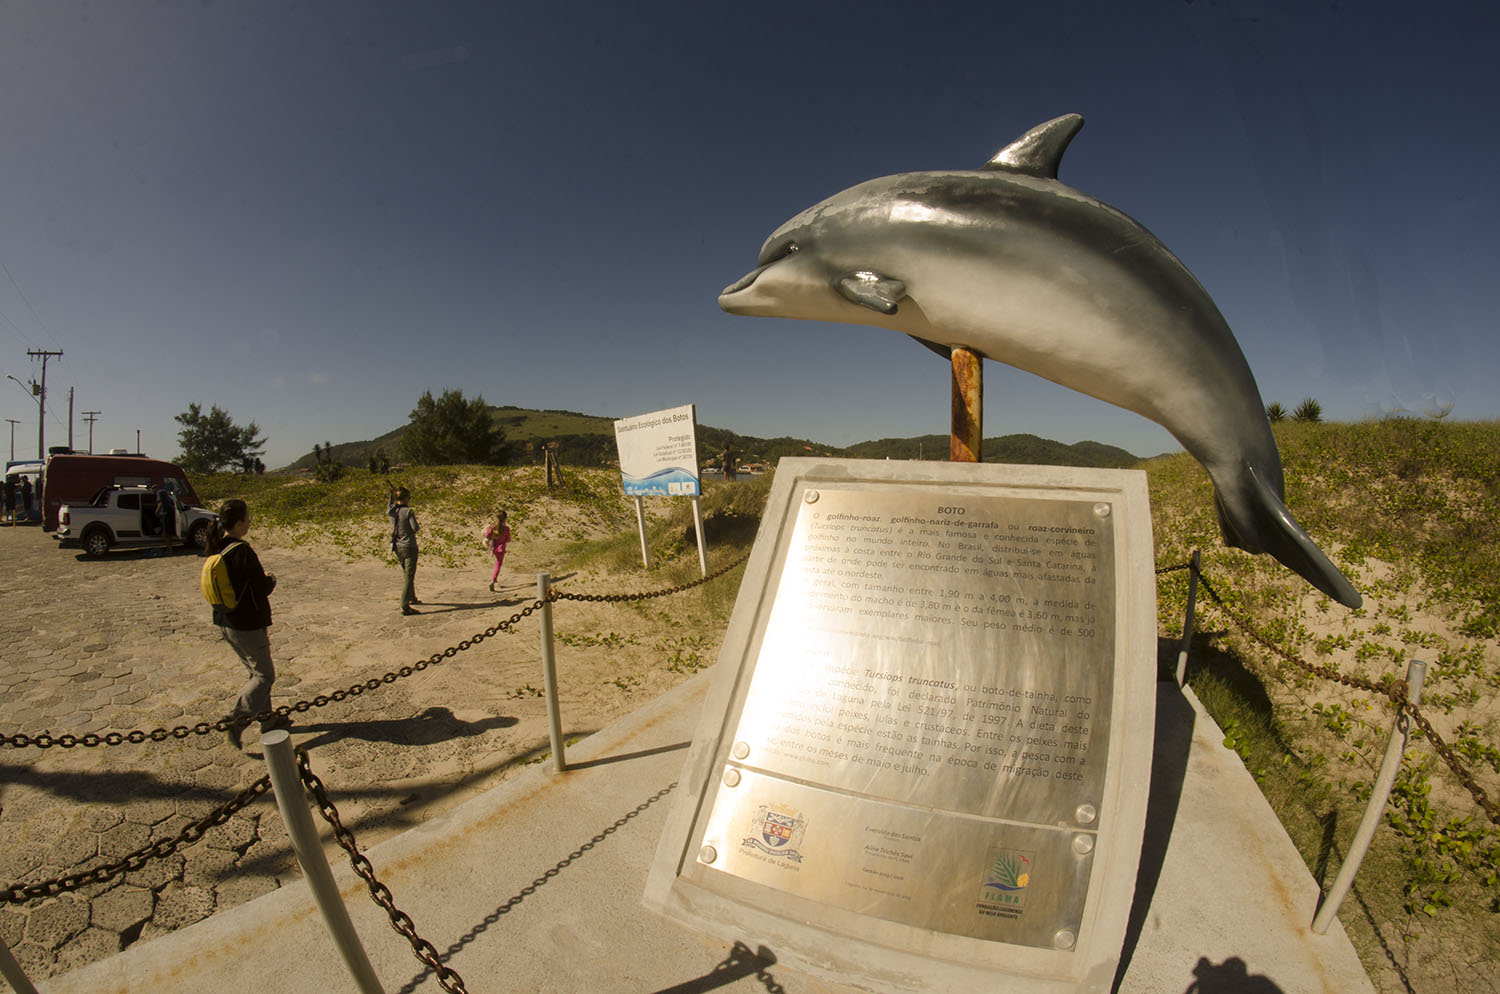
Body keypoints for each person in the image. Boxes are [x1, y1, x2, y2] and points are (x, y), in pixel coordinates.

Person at [205, 499, 286, 749]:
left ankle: (267, 720)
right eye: (248, 518)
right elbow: (260, 588)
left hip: (226, 622)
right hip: (246, 624)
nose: (250, 521)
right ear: (239, 523)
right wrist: (270, 580)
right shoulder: (242, 551)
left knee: (255, 671)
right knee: (264, 676)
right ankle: (237, 720)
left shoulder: (219, 548)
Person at [388, 485, 421, 615]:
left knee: (406, 573)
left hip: (397, 546)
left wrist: (391, 496)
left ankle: (411, 597)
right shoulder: (408, 511)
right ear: (406, 498)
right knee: (409, 575)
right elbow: (415, 527)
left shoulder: (392, 511)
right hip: (409, 545)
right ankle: (404, 604)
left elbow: (390, 505)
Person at [483, 510, 511, 592]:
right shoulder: (506, 529)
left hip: (493, 547)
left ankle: (494, 580)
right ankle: (493, 580)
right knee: (498, 564)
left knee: (497, 563)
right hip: (501, 548)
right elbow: (508, 540)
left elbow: (487, 536)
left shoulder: (491, 527)